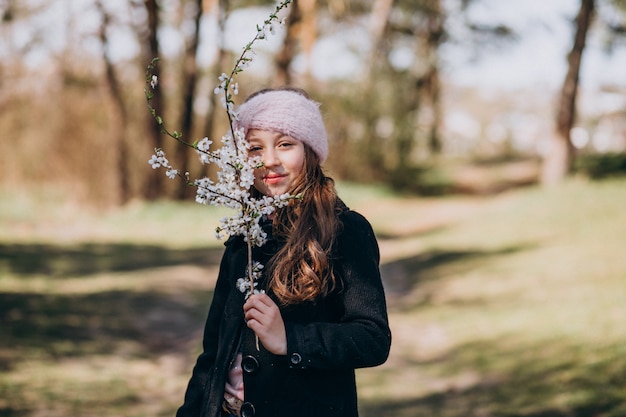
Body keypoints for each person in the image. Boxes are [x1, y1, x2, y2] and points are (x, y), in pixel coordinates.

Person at [176, 88, 391, 417]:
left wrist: (291, 338)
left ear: (310, 150)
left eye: (285, 144)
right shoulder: (243, 239)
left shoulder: (344, 231)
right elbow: (213, 354)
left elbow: (372, 338)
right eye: (254, 147)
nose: (270, 160)